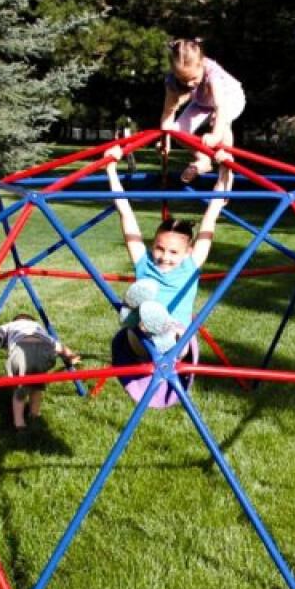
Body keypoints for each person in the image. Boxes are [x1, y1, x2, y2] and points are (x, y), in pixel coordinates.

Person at [104, 144, 233, 357]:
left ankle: (157, 325)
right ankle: (139, 315)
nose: (164, 257)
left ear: (188, 251)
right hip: (141, 342)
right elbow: (125, 213)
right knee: (139, 327)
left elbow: (211, 214)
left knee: (175, 333)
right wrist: (110, 168)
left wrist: (224, 169)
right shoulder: (144, 263)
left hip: (176, 343)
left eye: (174, 252)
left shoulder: (191, 264)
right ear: (152, 245)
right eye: (159, 248)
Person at [160, 38, 245, 183]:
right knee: (176, 131)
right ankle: (203, 159)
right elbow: (168, 113)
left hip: (230, 98)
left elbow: (220, 106)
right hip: (202, 103)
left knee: (220, 122)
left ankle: (226, 169)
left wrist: (215, 135)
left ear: (201, 65)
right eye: (183, 79)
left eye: (193, 78)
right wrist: (165, 141)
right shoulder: (172, 80)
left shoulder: (212, 72)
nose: (189, 84)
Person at [0, 313, 80, 430]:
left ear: (16, 320)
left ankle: (19, 423)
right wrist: (71, 356)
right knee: (37, 386)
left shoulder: (10, 326)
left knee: (20, 389)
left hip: (21, 350)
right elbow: (59, 347)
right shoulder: (39, 328)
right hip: (45, 351)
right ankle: (34, 414)